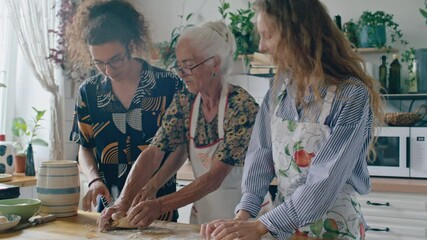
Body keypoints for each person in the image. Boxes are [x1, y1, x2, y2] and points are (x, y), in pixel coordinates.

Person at [201, 0, 384, 239]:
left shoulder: (351, 95)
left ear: (298, 34)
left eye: (267, 35)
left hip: (334, 229)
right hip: (285, 230)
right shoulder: (278, 90)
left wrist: (260, 226)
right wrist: (242, 217)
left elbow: (324, 181)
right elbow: (260, 155)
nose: (261, 46)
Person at [98, 20, 271, 231]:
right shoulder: (186, 102)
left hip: (245, 222)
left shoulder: (241, 107)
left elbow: (214, 178)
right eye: (178, 66)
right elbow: (154, 153)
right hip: (204, 221)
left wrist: (159, 205)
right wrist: (122, 202)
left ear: (215, 63)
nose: (181, 73)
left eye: (188, 66)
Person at [67, 0, 183, 222]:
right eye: (99, 62)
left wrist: (153, 185)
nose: (108, 70)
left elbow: (180, 149)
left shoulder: (168, 84)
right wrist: (93, 180)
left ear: (130, 45)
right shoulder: (88, 92)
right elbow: (85, 148)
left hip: (157, 208)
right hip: (108, 210)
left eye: (115, 60)